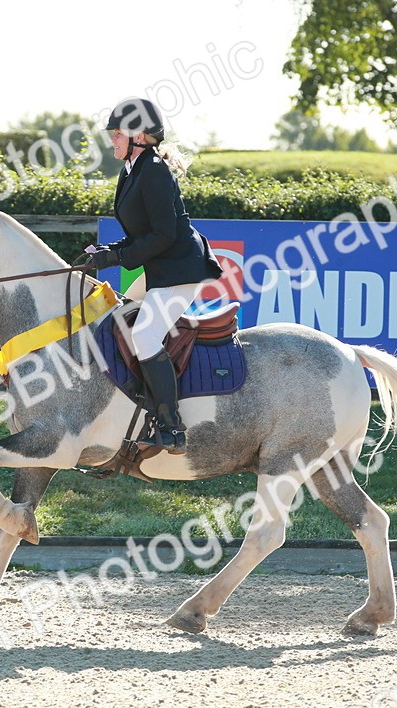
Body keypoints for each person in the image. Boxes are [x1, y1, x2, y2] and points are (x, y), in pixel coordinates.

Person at [86, 97, 222, 454]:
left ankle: (171, 427)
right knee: (116, 320)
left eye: (117, 133)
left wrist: (118, 257)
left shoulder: (155, 170)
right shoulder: (131, 169)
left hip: (180, 268)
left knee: (145, 337)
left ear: (140, 136)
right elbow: (140, 233)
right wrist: (107, 252)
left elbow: (163, 235)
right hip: (159, 268)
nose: (112, 140)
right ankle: (134, 406)